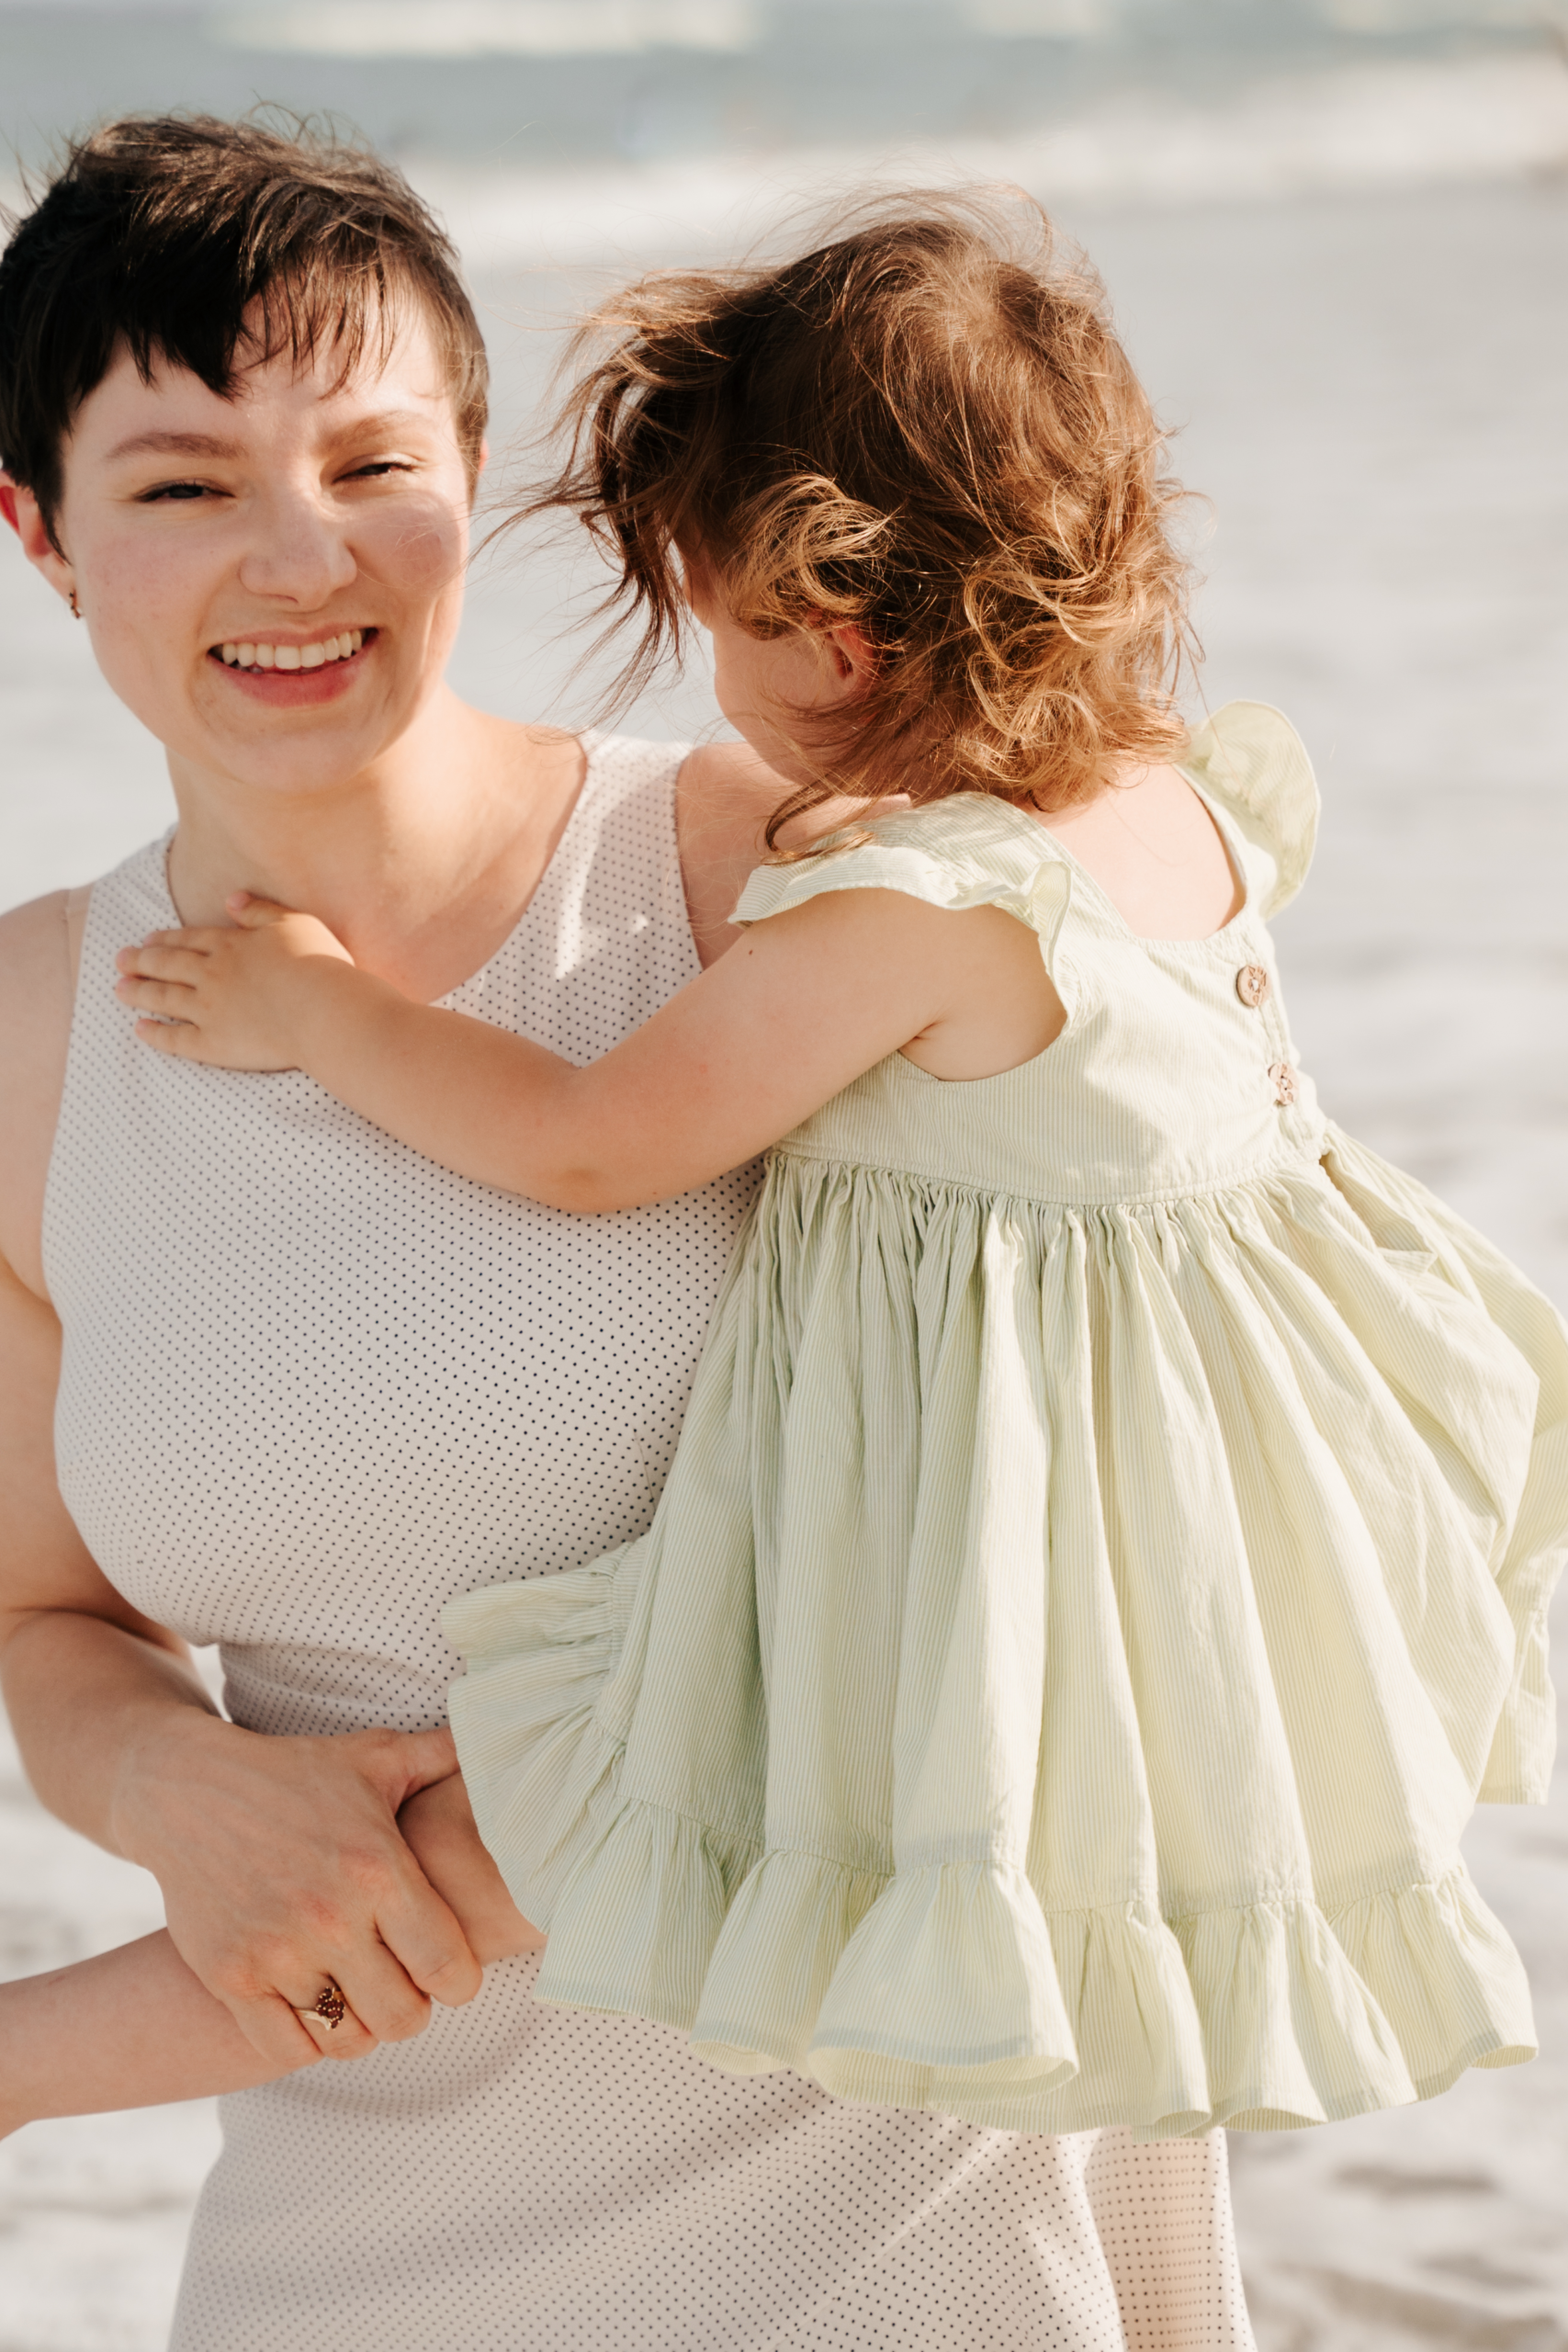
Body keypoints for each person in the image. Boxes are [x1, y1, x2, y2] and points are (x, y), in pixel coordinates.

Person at [9, 184, 1564, 2144]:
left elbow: (588, 1145)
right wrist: (162, 1777)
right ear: (37, 527)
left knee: (592, 1782)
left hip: (941, 2145)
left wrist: (316, 1008)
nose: (301, 547)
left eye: (373, 460)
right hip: (361, 2237)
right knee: (566, 1796)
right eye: (181, 484)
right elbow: (40, 1618)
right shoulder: (1146, 820)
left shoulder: (810, 887)